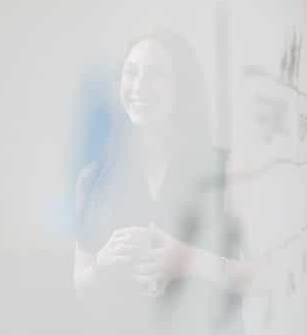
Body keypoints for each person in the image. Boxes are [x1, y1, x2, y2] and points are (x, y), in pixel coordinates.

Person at [72, 30, 244, 335]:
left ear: (182, 87)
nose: (139, 87)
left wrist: (187, 259)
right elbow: (80, 284)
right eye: (131, 73)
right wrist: (102, 263)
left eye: (156, 75)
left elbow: (257, 277)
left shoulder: (225, 168)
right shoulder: (93, 179)